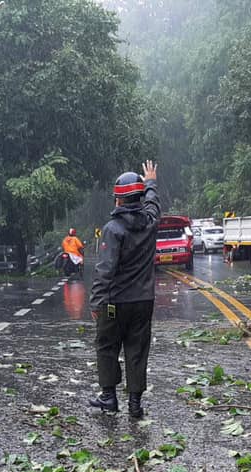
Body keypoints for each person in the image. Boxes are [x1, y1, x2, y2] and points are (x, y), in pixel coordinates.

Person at [89, 160, 161, 419]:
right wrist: (151, 181)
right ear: (139, 198)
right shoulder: (150, 222)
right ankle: (134, 404)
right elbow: (153, 204)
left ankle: (109, 397)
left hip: (114, 302)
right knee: (137, 349)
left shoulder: (112, 229)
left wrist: (97, 303)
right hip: (144, 300)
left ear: (118, 201)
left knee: (107, 345)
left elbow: (105, 270)